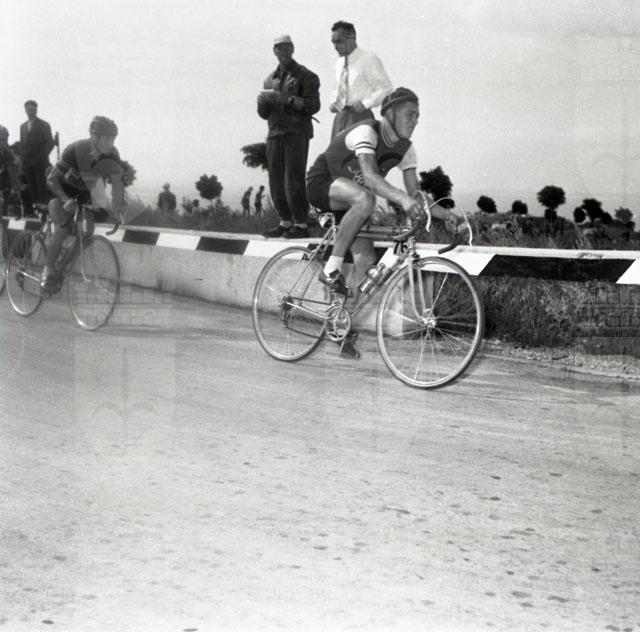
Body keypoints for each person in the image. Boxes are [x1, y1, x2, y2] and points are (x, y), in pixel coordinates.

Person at [306, 87, 460, 356]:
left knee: (366, 262)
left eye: (418, 116)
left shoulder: (406, 150)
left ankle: (339, 325)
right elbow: (371, 177)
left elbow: (415, 195)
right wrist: (402, 199)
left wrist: (447, 215)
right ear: (389, 113)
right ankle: (330, 270)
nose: (415, 121)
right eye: (410, 114)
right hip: (323, 183)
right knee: (366, 197)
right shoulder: (367, 132)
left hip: (352, 201)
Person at [41, 116, 126, 296]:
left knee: (87, 235)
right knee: (63, 228)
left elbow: (117, 184)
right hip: (59, 191)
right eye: (106, 139)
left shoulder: (112, 154)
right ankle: (47, 273)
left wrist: (117, 209)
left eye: (113, 139)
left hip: (84, 196)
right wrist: (65, 199)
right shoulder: (75, 150)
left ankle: (60, 270)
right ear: (94, 136)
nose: (110, 143)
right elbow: (51, 179)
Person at [257, 34, 320, 239]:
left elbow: (313, 106)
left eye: (286, 48)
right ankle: (285, 221)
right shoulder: (269, 80)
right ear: (274, 51)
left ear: (292, 49)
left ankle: (301, 224)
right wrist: (262, 102)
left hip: (296, 133)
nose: (282, 52)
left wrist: (289, 99)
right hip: (275, 134)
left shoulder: (306, 76)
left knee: (293, 179)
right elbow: (264, 114)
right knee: (275, 180)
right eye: (279, 49)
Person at [329, 21, 393, 139]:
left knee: (360, 149)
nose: (335, 46)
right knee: (337, 150)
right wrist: (334, 102)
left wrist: (365, 104)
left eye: (339, 41)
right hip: (341, 117)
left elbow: (386, 87)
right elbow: (337, 88)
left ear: (352, 38)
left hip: (360, 116)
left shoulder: (368, 59)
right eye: (333, 42)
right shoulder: (339, 63)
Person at [19, 100, 55, 212]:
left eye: (33, 110)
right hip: (28, 164)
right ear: (25, 111)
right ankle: (37, 212)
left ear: (36, 110)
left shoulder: (44, 125)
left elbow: (50, 143)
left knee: (42, 188)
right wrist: (23, 162)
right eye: (29, 110)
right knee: (32, 188)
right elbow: (23, 145)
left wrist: (40, 157)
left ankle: (45, 212)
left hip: (41, 163)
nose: (31, 112)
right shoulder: (23, 127)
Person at [0, 125, 22, 216]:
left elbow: (14, 173)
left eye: (5, 138)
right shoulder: (6, 150)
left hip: (6, 181)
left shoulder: (8, 152)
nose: (5, 141)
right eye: (3, 138)